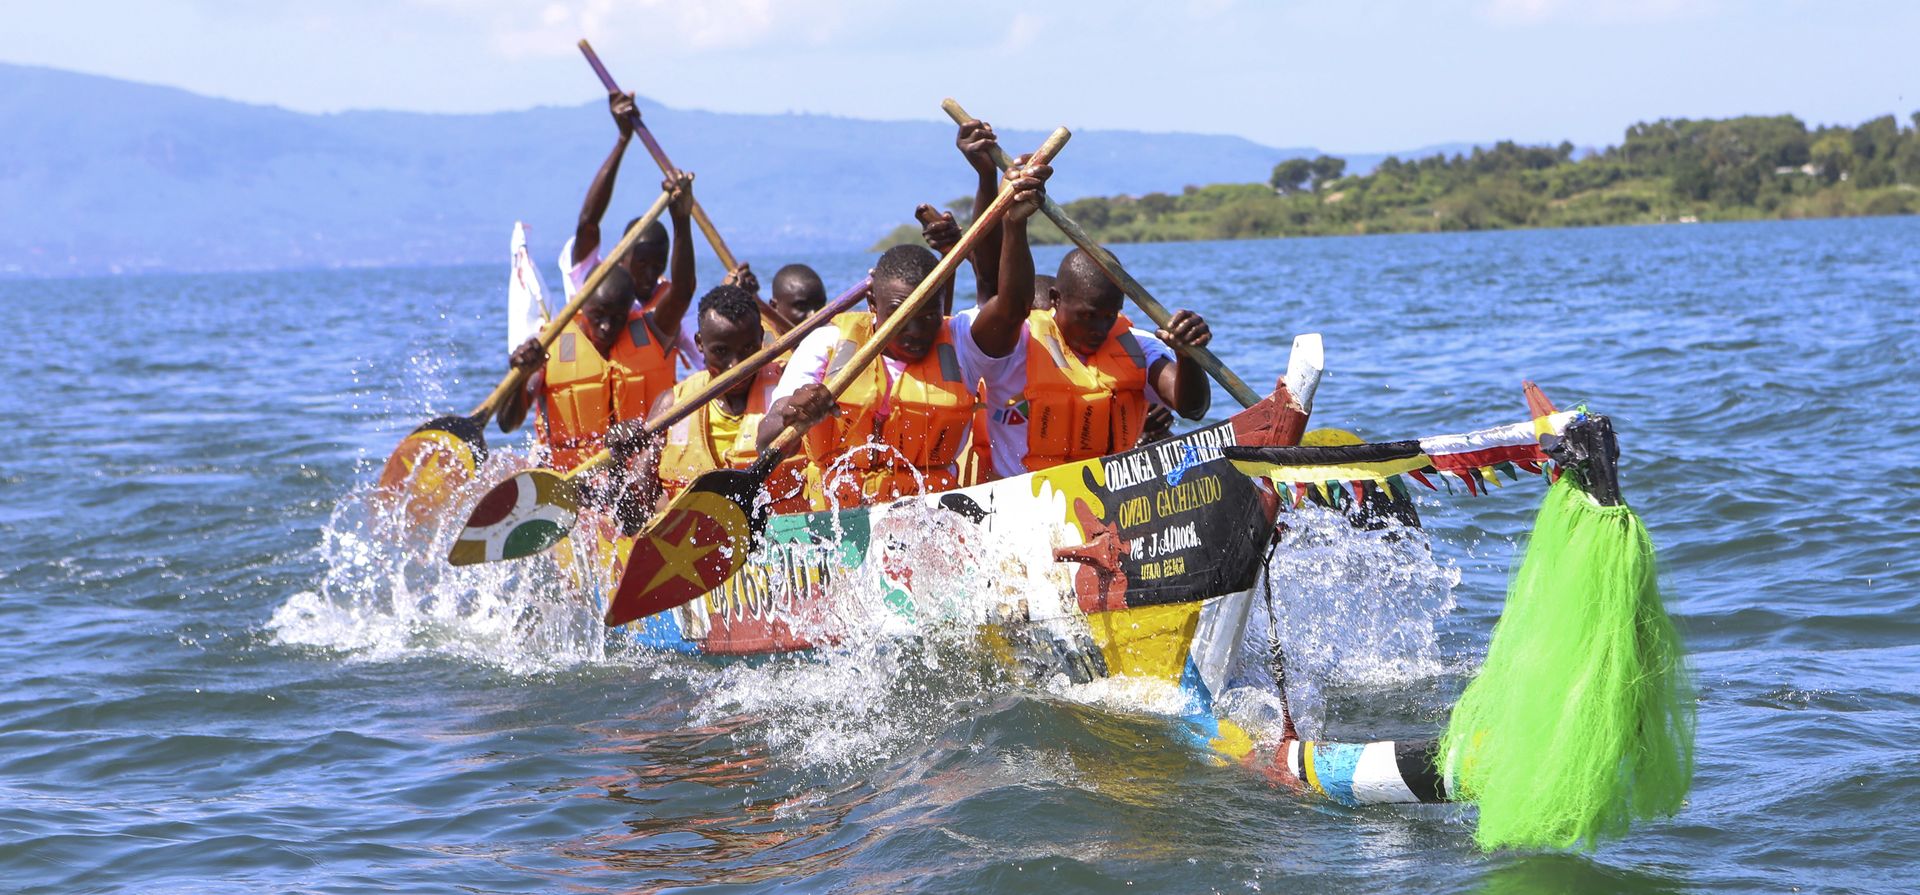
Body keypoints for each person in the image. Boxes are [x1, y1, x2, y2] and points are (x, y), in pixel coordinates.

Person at [956, 127, 1216, 478]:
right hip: (1024, 499)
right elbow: (997, 290)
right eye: (1088, 316)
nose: (1099, 328)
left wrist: (1187, 355)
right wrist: (1012, 220)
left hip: (1107, 502)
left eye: (1110, 316)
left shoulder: (1138, 348)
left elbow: (1194, 408)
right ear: (1055, 300)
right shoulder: (1016, 343)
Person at [499, 173, 698, 471]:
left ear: (629, 311)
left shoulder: (652, 331)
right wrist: (518, 378)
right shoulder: (549, 345)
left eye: (617, 318)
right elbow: (506, 422)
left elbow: (683, 290)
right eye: (599, 316)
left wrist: (681, 220)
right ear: (582, 308)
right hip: (573, 479)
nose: (607, 326)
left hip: (638, 480)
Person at [629, 284, 810, 515]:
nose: (736, 366)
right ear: (700, 344)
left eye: (748, 349)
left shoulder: (789, 386)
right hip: (695, 539)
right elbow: (637, 498)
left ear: (761, 341)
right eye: (721, 352)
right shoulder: (672, 405)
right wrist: (626, 449)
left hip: (780, 536)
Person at [558, 89, 704, 370]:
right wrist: (623, 140)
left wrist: (681, 217)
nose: (650, 275)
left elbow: (684, 291)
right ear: (621, 256)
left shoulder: (660, 314)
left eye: (657, 266)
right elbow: (588, 223)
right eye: (642, 263)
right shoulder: (592, 280)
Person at [768, 264, 828, 329]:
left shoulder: (836, 333)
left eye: (820, 306)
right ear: (774, 307)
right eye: (802, 307)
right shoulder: (760, 336)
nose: (814, 316)